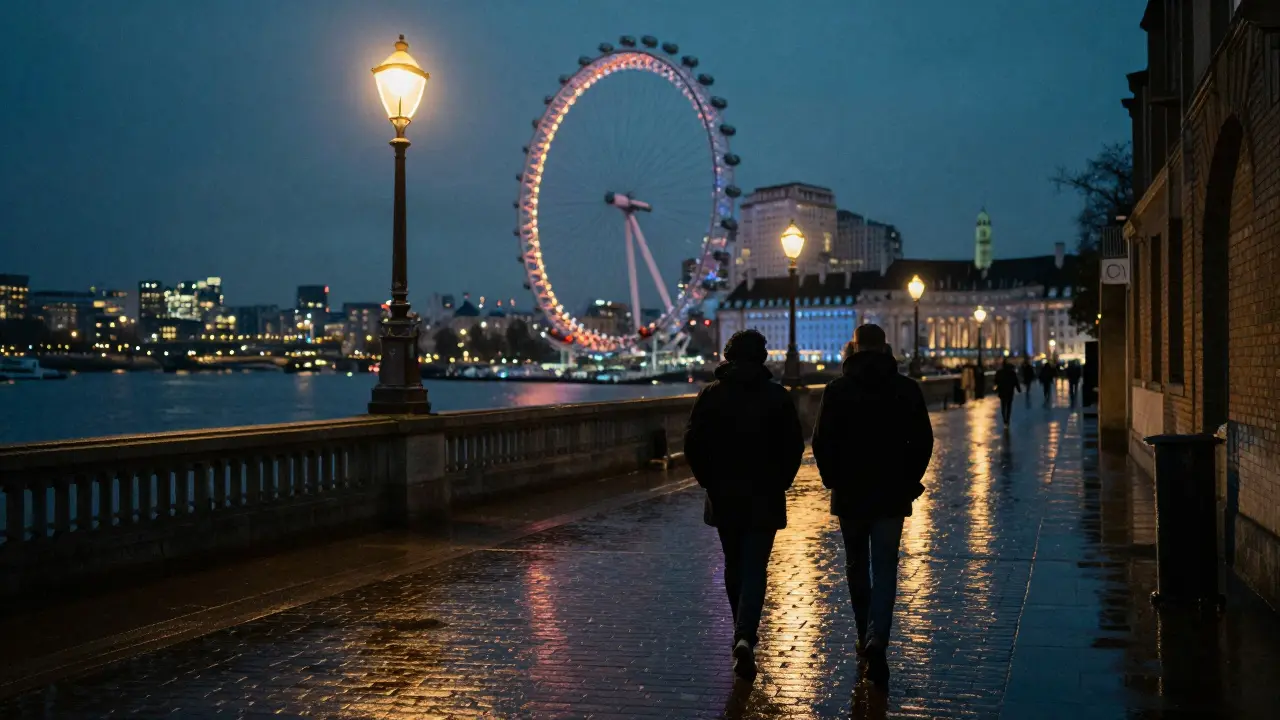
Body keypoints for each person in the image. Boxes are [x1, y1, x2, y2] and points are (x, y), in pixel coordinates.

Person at [811, 324, 934, 690]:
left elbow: (821, 441)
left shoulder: (837, 390)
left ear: (854, 347)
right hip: (891, 494)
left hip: (850, 494)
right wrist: (910, 480)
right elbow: (923, 441)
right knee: (885, 567)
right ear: (885, 348)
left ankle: (862, 628)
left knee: (855, 566)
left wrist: (833, 478)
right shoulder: (906, 389)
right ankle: (878, 636)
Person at [684, 329, 805, 681]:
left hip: (723, 493)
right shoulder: (777, 396)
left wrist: (708, 479)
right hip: (764, 493)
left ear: (728, 355)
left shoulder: (711, 395)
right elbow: (793, 446)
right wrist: (781, 480)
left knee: (733, 564)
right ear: (762, 357)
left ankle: (742, 631)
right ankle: (745, 635)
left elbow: (693, 442)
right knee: (755, 566)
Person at [993, 358, 1021, 425]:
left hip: (1002, 391)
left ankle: (1004, 418)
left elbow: (996, 381)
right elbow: (1015, 381)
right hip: (1010, 391)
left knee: (1003, 405)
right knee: (1009, 406)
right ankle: (1007, 419)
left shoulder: (999, 372)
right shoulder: (1012, 373)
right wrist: (1018, 389)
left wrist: (996, 388)